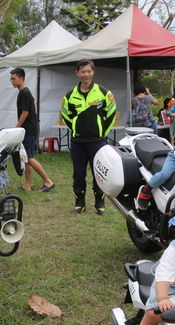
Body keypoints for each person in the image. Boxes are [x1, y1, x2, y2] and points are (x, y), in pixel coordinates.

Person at [60, 59, 117, 215]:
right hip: (78, 142)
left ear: (93, 72)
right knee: (78, 174)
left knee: (99, 174)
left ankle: (100, 203)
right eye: (83, 71)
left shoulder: (104, 93)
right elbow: (65, 115)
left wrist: (102, 132)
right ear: (77, 73)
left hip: (98, 142)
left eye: (89, 71)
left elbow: (111, 113)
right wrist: (75, 129)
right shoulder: (70, 96)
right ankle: (80, 203)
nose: (86, 74)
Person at [9, 68, 55, 192]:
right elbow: (33, 102)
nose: (11, 81)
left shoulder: (24, 92)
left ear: (21, 78)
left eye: (14, 78)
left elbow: (25, 112)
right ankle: (27, 185)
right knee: (26, 157)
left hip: (28, 130)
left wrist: (16, 127)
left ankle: (48, 181)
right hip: (29, 129)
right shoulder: (25, 92)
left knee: (28, 157)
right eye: (11, 79)